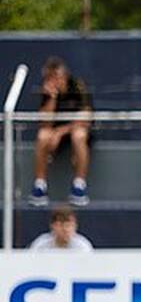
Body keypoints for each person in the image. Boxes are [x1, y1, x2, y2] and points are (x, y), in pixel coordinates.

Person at [29, 57, 92, 207]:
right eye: (50, 78)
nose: (55, 81)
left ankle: (79, 185)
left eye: (57, 77)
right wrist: (52, 98)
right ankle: (40, 185)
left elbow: (86, 117)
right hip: (53, 134)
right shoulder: (46, 92)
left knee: (79, 134)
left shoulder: (77, 86)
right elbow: (45, 122)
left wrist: (60, 132)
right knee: (42, 135)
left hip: (74, 131)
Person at [29, 205, 93, 251]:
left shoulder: (83, 247)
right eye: (61, 225)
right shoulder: (40, 245)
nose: (65, 230)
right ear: (53, 226)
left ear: (75, 227)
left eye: (69, 226)